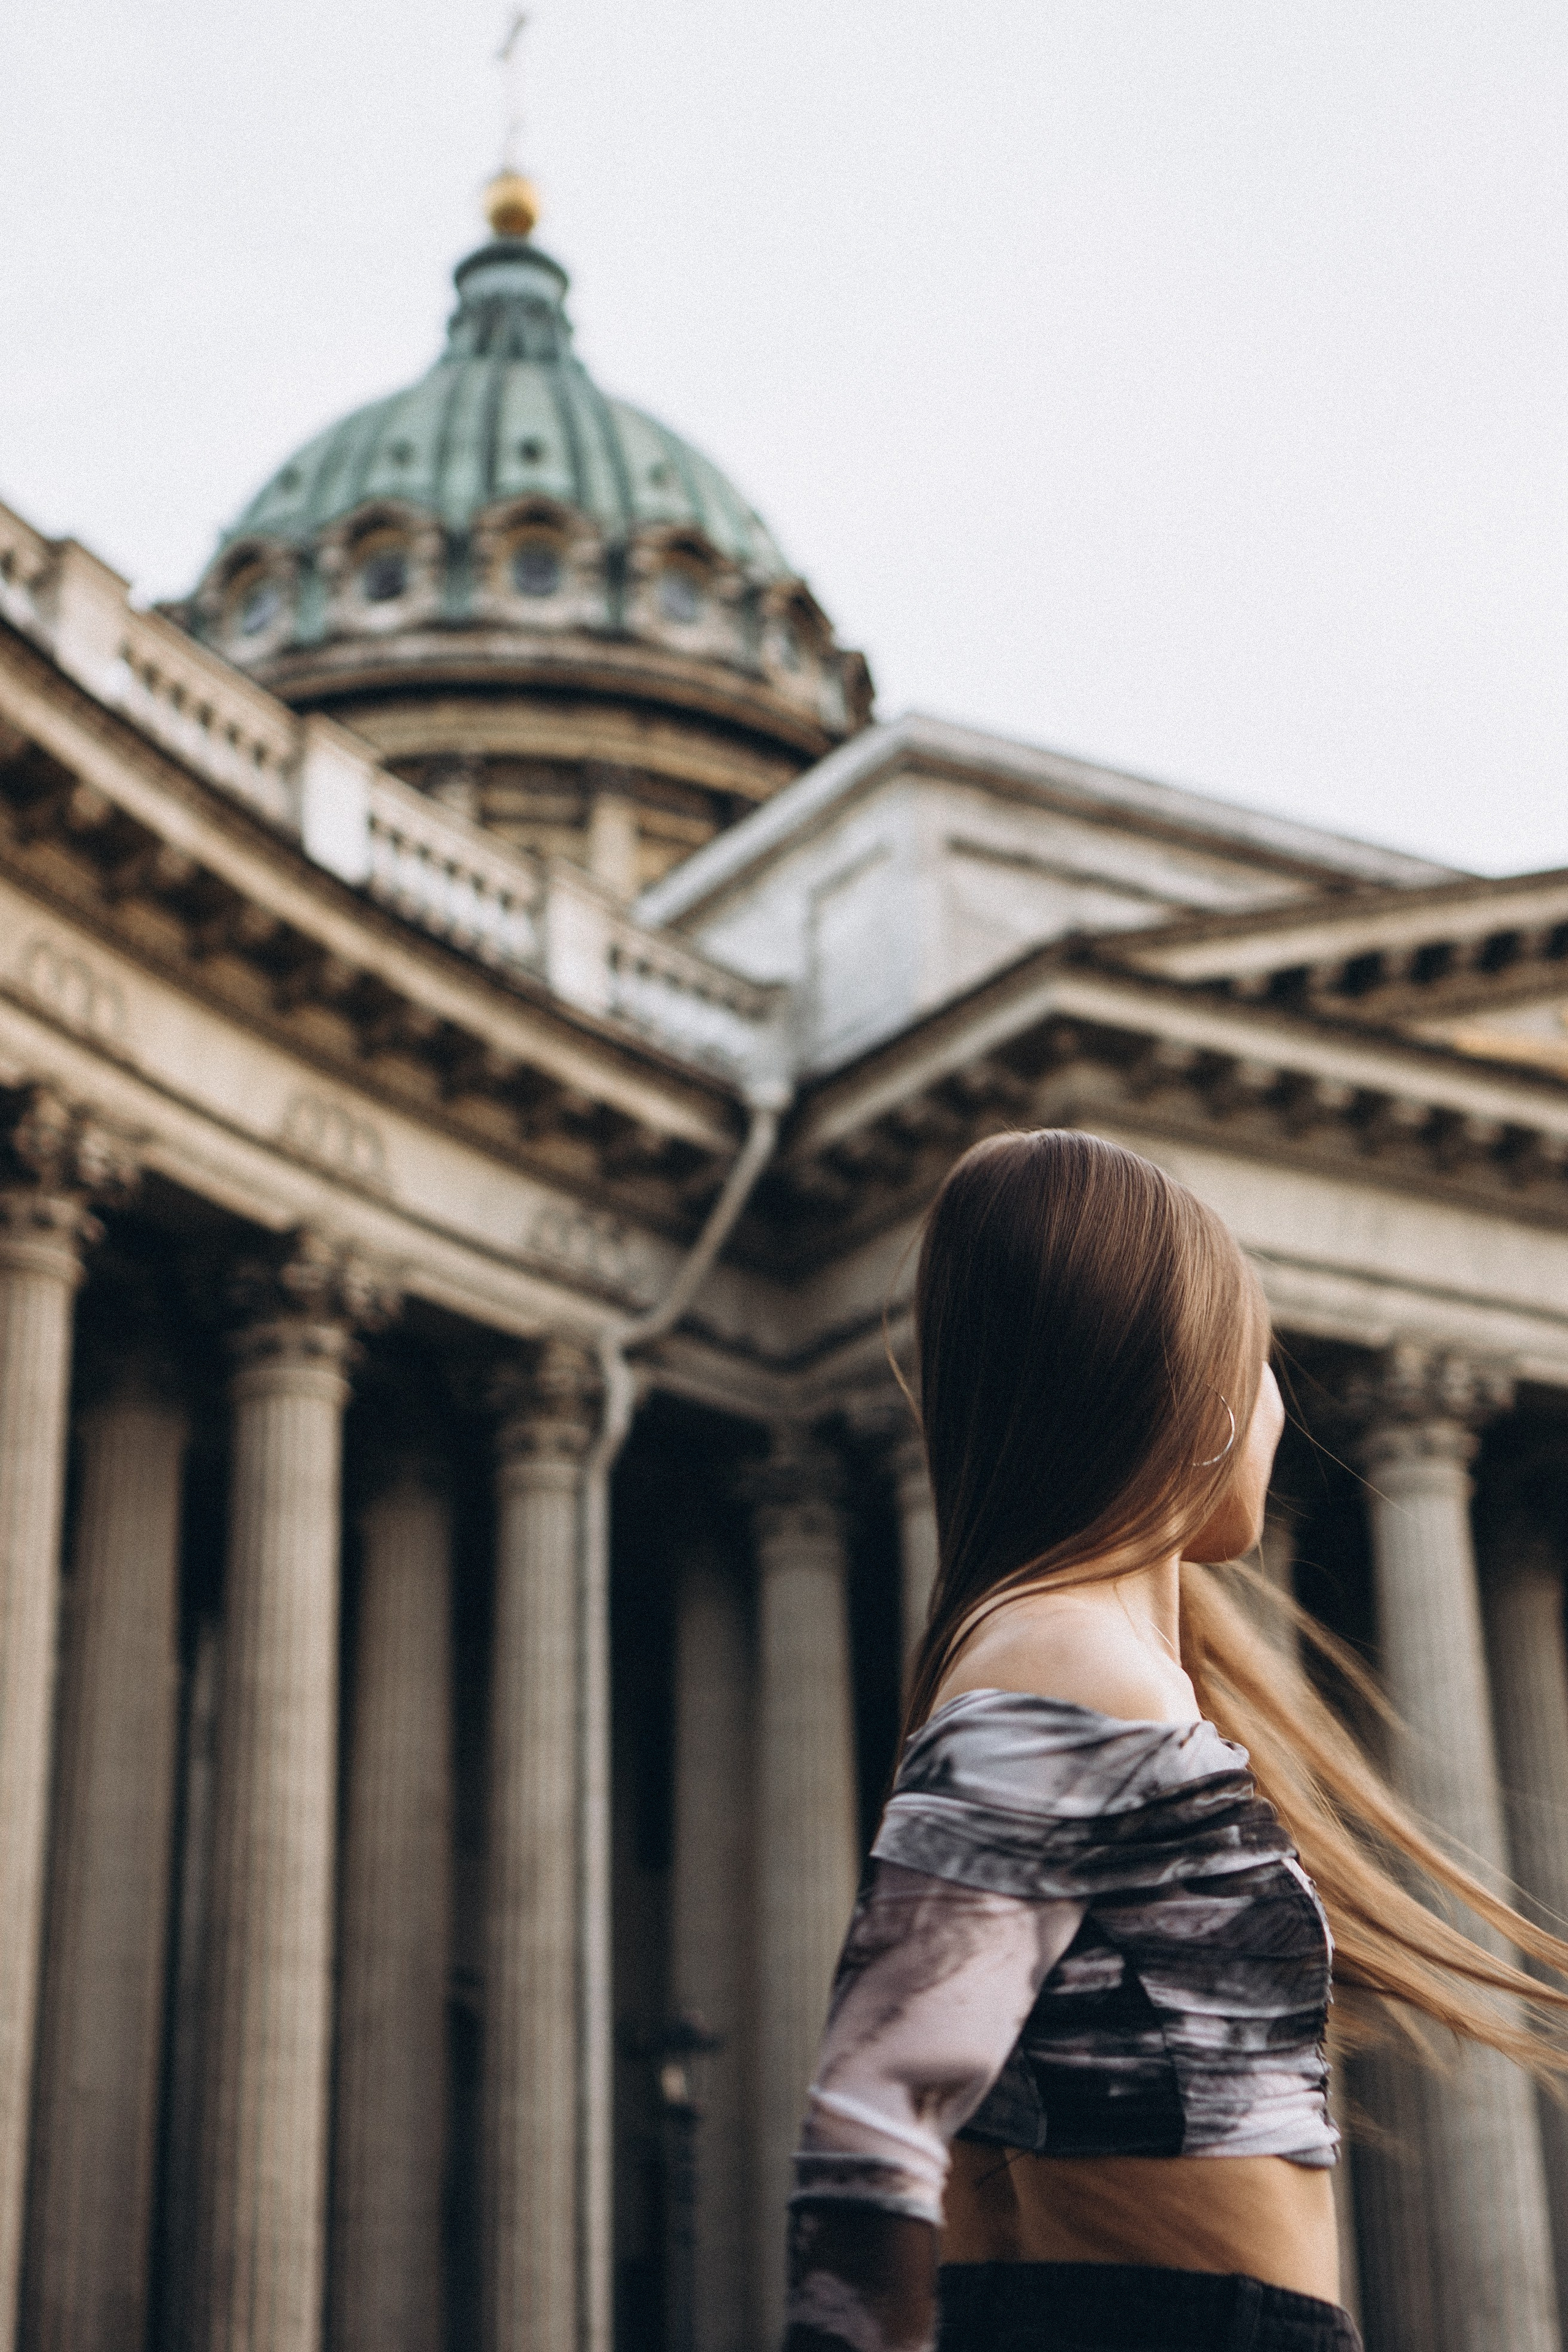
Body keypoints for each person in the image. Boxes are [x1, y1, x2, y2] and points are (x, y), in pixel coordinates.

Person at [783, 1130, 1568, 2352]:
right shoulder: (1060, 1661)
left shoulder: (1084, 1660)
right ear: (1193, 1385)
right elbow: (873, 2112)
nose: (1278, 1409)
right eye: (1262, 1361)